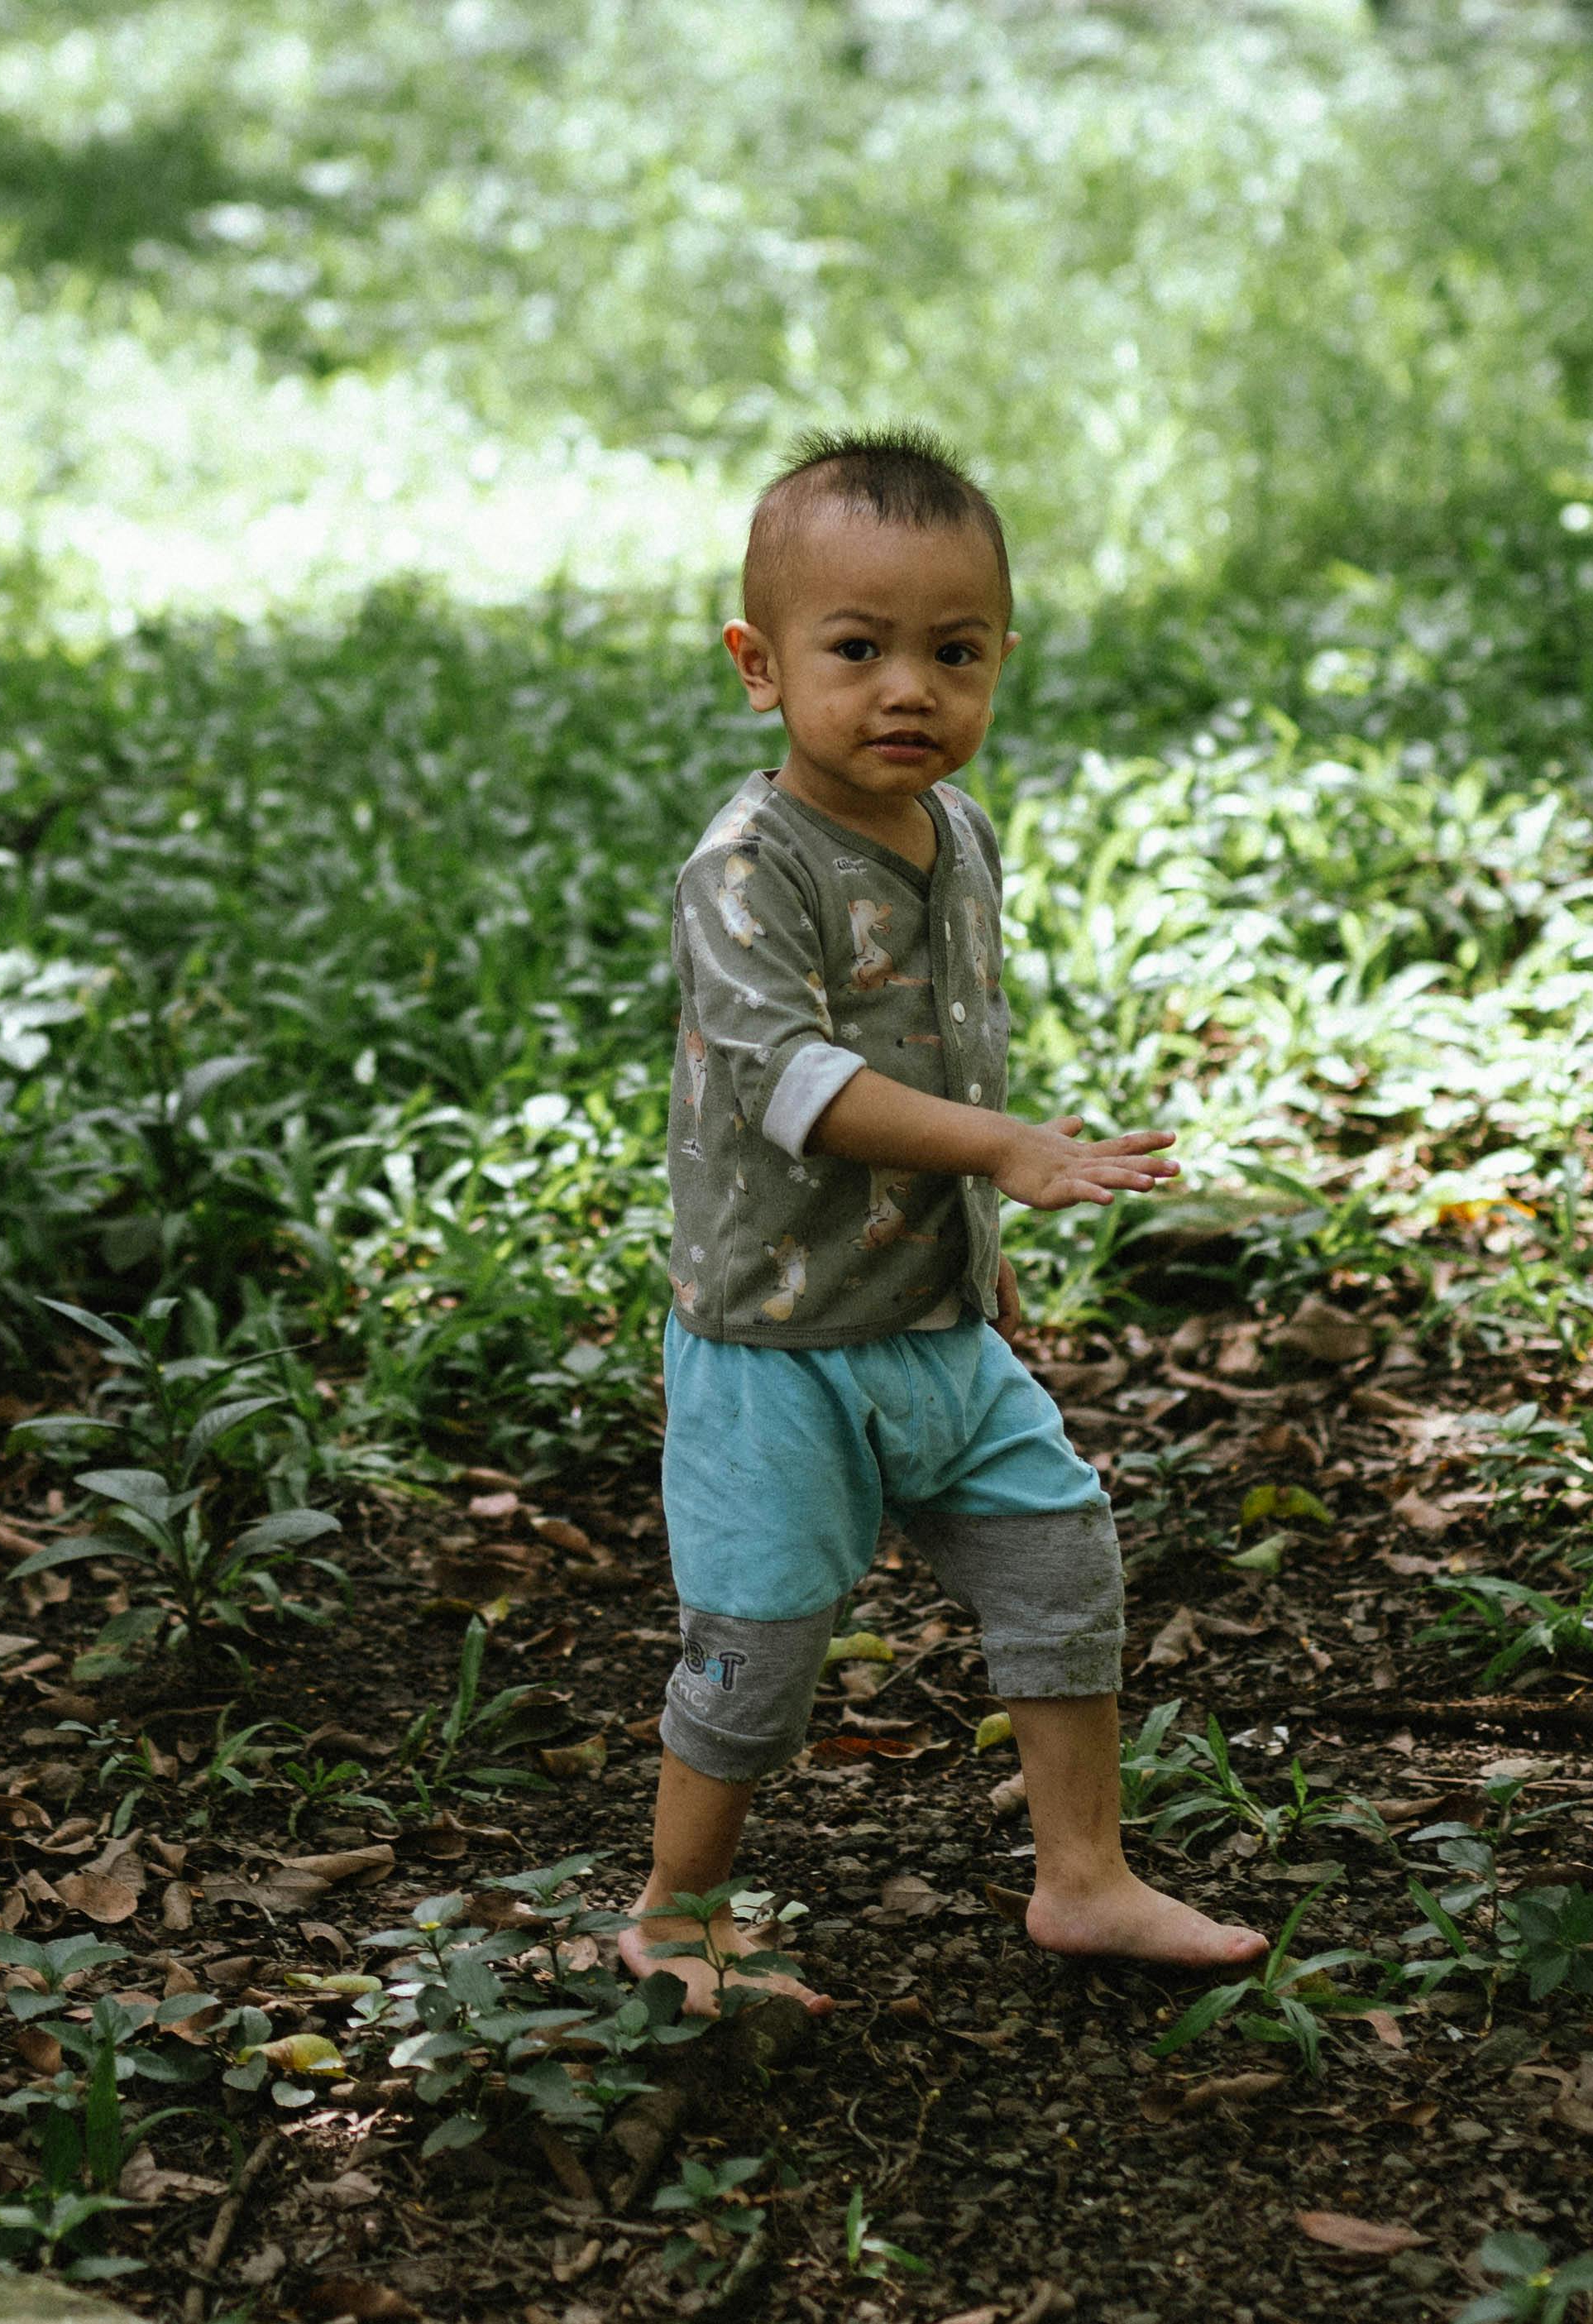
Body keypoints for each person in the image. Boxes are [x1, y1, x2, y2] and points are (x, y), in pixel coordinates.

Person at [622, 426, 1267, 2013]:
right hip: (775, 1348)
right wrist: (1005, 1153)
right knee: (761, 1653)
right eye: (860, 649)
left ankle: (1087, 1877)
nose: (910, 688)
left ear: (1001, 662)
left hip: (931, 1327)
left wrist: (981, 1254)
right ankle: (672, 1912)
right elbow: (791, 1080)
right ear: (759, 665)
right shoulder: (747, 865)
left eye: (954, 651)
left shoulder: (958, 837)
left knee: (1058, 1557)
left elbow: (943, 1048)